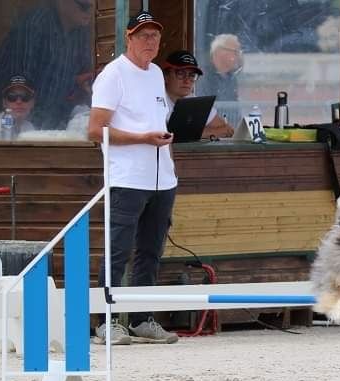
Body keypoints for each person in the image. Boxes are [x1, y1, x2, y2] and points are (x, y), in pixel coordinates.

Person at [88, 11, 178, 345]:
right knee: (117, 251)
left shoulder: (156, 73)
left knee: (151, 252)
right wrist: (143, 139)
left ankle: (142, 318)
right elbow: (96, 130)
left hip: (161, 179)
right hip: (126, 178)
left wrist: (164, 148)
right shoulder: (113, 75)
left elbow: (158, 122)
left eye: (154, 36)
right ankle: (105, 322)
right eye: (143, 36)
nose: (150, 42)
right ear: (128, 37)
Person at [0, 0, 93, 130]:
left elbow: (81, 78)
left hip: (46, 123)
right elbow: (20, 84)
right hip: (5, 122)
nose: (89, 11)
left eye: (92, 6)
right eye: (84, 6)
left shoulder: (81, 32)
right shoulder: (35, 24)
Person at [162, 50, 234, 139]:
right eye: (180, 74)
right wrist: (206, 133)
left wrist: (192, 134)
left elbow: (227, 129)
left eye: (192, 75)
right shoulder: (155, 99)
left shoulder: (193, 100)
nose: (187, 81)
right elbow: (166, 135)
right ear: (165, 76)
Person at [197, 34, 242, 101]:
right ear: (221, 53)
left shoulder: (231, 78)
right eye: (235, 52)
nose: (238, 57)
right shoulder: (202, 77)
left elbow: (233, 109)